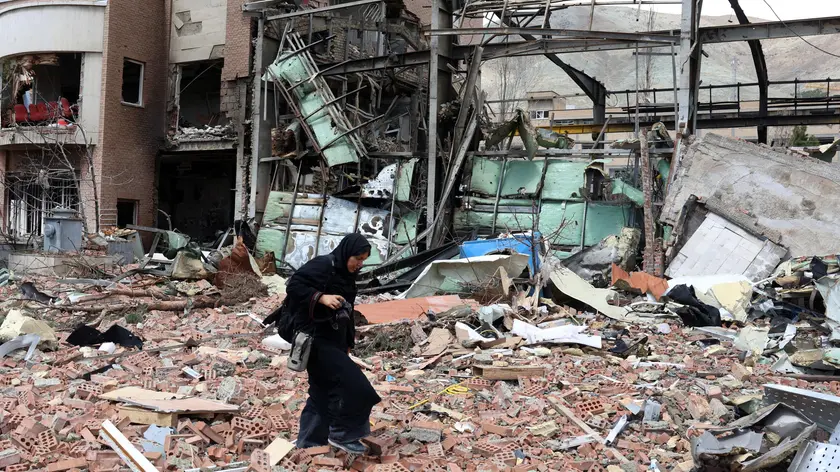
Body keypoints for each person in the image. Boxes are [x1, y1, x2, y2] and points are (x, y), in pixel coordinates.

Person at [283, 233, 381, 454]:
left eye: (364, 260)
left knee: (321, 393)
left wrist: (348, 342)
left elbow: (348, 311)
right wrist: (321, 297)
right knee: (359, 388)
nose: (360, 264)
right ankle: (342, 434)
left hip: (335, 341)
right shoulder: (323, 265)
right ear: (346, 253)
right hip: (315, 341)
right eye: (357, 258)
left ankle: (309, 444)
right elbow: (294, 285)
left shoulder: (346, 275)